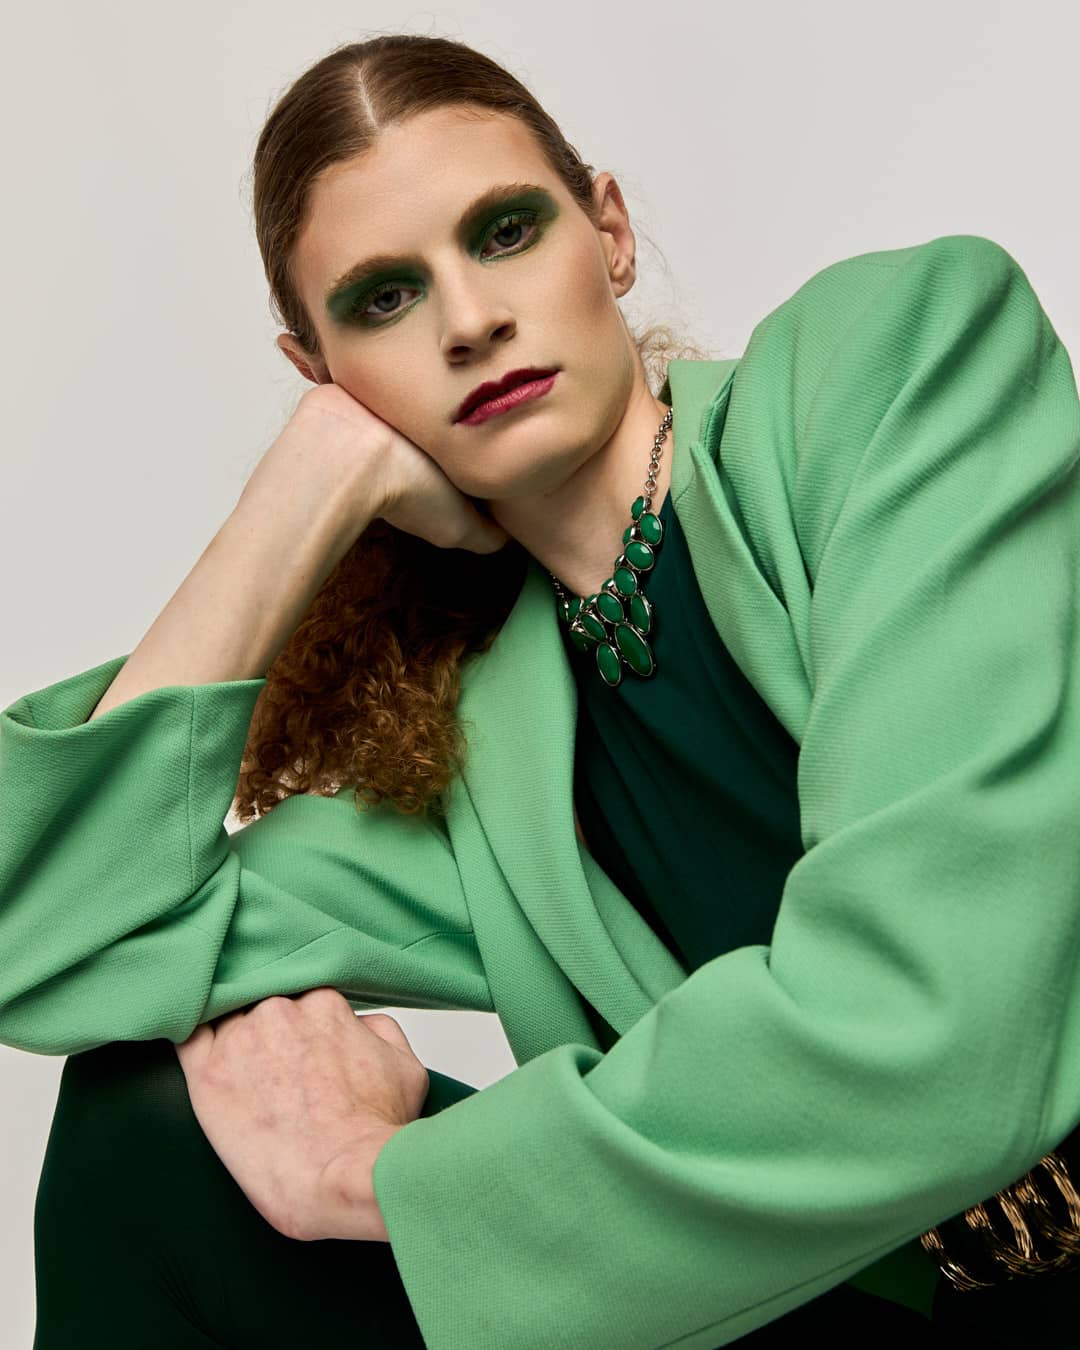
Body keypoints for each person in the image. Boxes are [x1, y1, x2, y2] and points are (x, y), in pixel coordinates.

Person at [4, 30, 1080, 1350]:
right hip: (862, 1308)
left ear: (610, 232)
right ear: (319, 372)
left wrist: (364, 1177)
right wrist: (297, 500)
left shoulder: (896, 368)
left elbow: (945, 1043)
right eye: (383, 300)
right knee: (141, 1122)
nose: (468, 320)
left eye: (504, 231)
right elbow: (47, 942)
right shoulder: (480, 748)